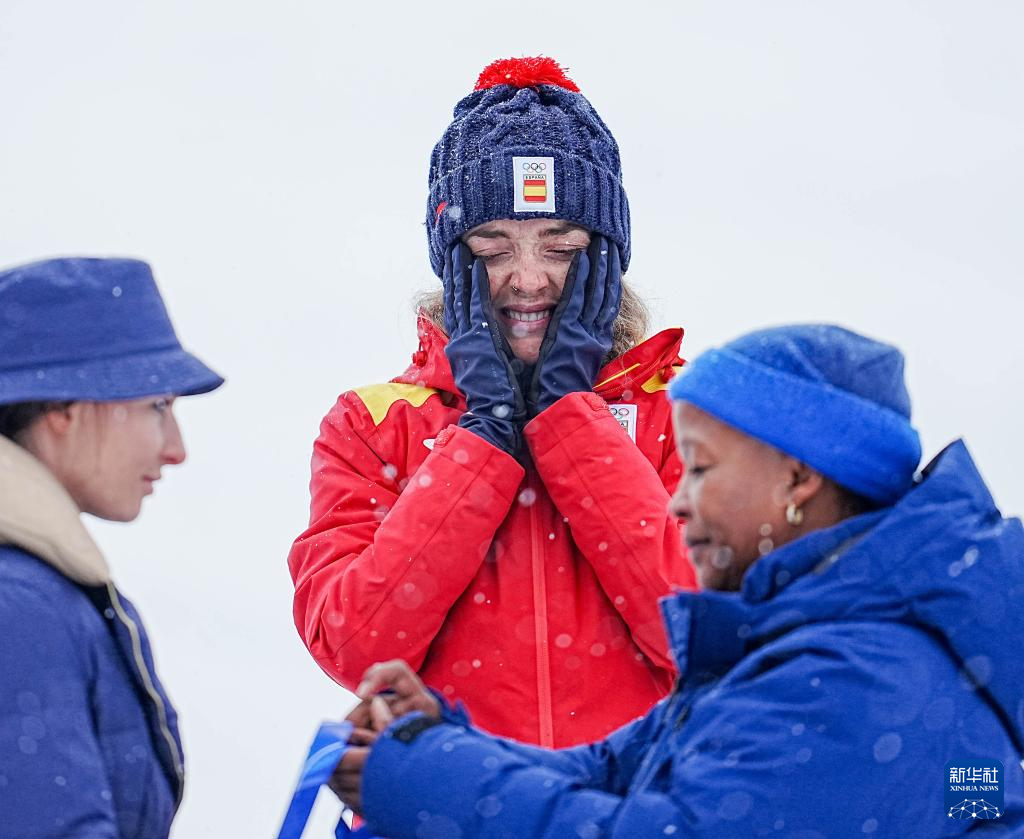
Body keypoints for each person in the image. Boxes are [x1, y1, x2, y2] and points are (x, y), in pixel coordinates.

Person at [329, 325, 1024, 837]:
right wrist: (438, 741)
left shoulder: (858, 673)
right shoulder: (807, 645)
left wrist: (423, 777)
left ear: (797, 479)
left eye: (701, 467)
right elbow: (615, 771)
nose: (678, 503)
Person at [288, 55, 695, 748]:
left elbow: (705, 637)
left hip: (638, 800)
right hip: (450, 801)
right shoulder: (372, 424)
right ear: (451, 259)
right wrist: (484, 436)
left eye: (561, 247)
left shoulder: (688, 417)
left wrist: (571, 419)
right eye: (492, 246)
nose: (527, 279)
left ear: (606, 257)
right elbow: (356, 648)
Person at [0, 257, 223, 838]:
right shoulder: (17, 606)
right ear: (63, 410)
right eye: (158, 407)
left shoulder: (38, 589)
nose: (177, 449)